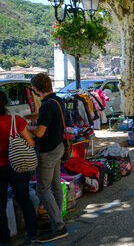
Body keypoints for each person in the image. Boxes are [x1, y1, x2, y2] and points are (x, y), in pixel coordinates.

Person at [28, 73, 68, 243]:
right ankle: (57, 218)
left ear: (36, 89)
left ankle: (59, 226)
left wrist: (26, 127)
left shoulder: (46, 106)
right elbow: (49, 120)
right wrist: (33, 118)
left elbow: (39, 132)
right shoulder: (58, 100)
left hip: (48, 151)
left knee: (43, 189)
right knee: (56, 185)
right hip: (58, 147)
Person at [0, 91, 37, 245]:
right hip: (18, 166)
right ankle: (32, 234)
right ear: (5, 103)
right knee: (24, 200)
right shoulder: (16, 121)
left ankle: (4, 240)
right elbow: (31, 143)